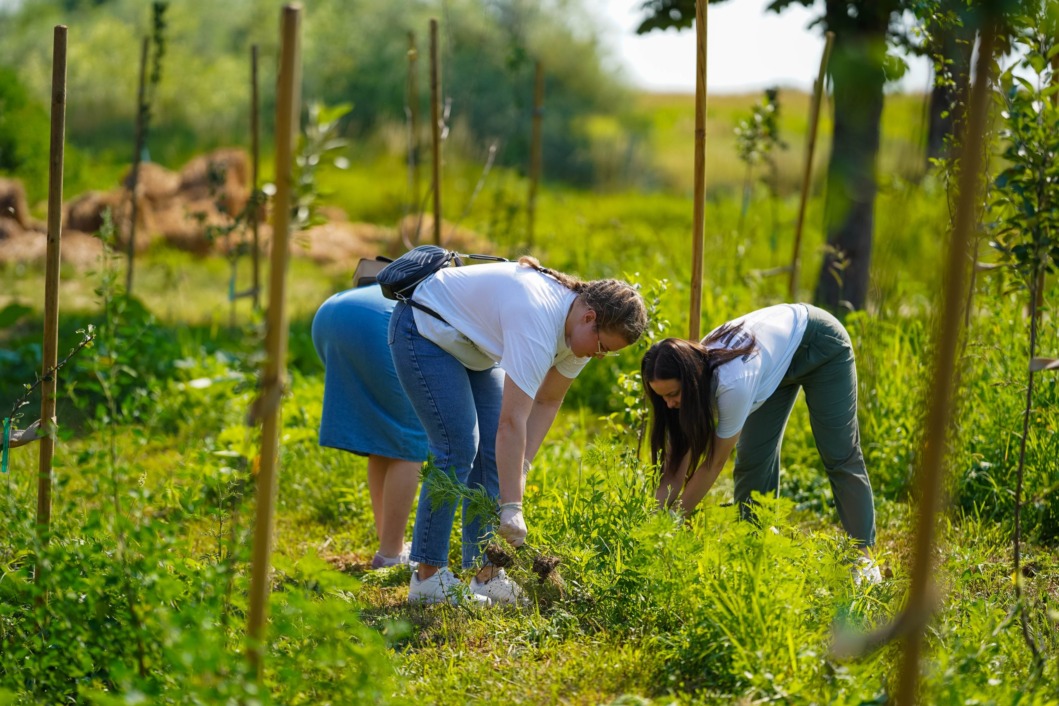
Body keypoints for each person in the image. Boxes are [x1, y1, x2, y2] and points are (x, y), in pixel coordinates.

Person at [389, 256, 648, 605]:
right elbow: (512, 423)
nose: (599, 356)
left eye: (608, 353)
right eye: (602, 347)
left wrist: (520, 468)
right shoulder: (539, 319)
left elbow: (547, 402)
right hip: (425, 329)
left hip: (471, 347)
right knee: (457, 447)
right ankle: (427, 580)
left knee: (498, 460)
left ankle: (485, 575)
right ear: (590, 318)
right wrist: (512, 505)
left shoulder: (580, 334)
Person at [640, 303, 882, 585]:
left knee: (839, 454)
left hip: (820, 344)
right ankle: (758, 547)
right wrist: (652, 521)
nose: (669, 405)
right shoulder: (693, 374)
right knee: (753, 459)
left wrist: (674, 519)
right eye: (662, 398)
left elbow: (713, 463)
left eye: (673, 394)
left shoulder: (733, 384)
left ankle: (864, 555)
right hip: (773, 362)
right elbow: (678, 457)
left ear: (691, 381)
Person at [311, 283, 429, 571]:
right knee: (411, 439)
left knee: (386, 435)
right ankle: (390, 554)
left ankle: (390, 543)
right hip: (377, 323)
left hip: (331, 312)